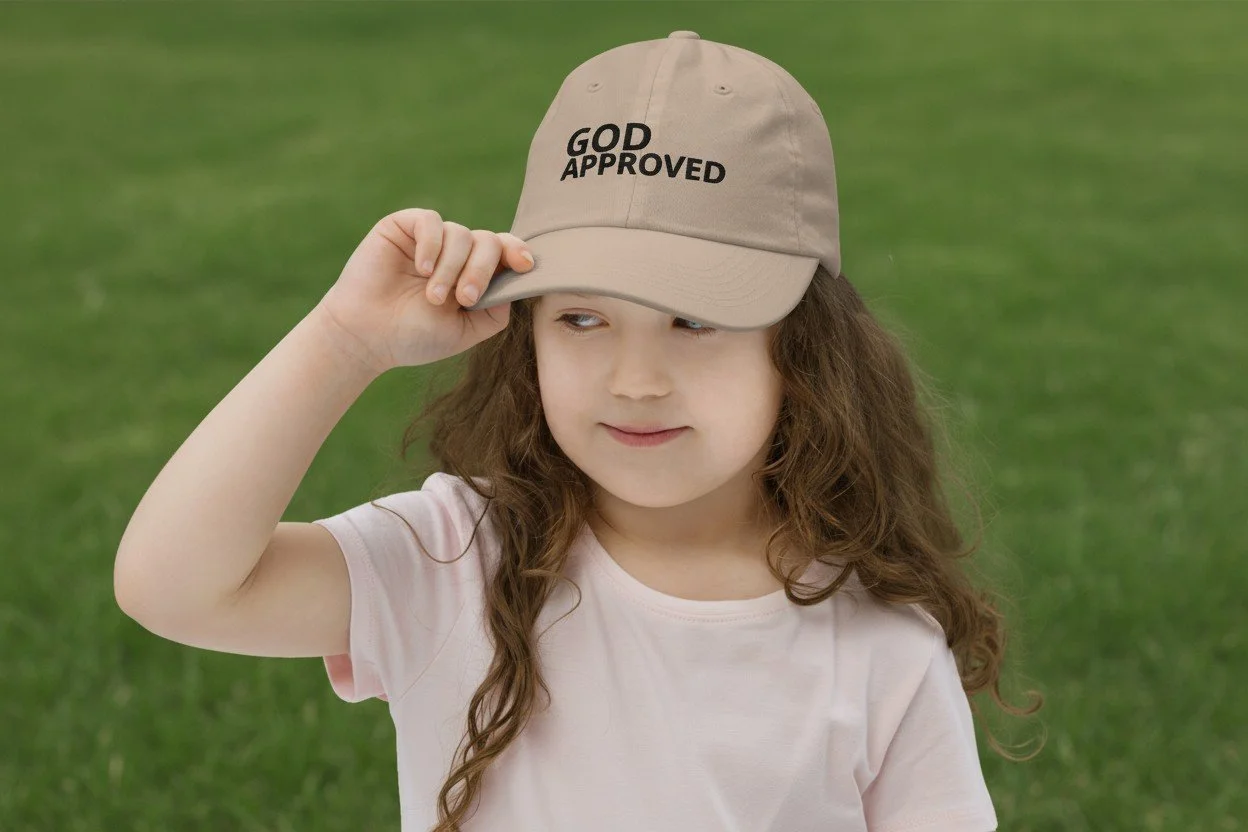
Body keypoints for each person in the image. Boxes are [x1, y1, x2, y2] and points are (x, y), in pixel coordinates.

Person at [113, 30, 1042, 832]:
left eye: (695, 319)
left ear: (803, 351)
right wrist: (344, 341)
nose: (636, 381)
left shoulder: (879, 647)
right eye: (582, 319)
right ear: (529, 335)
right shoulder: (455, 561)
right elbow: (176, 587)